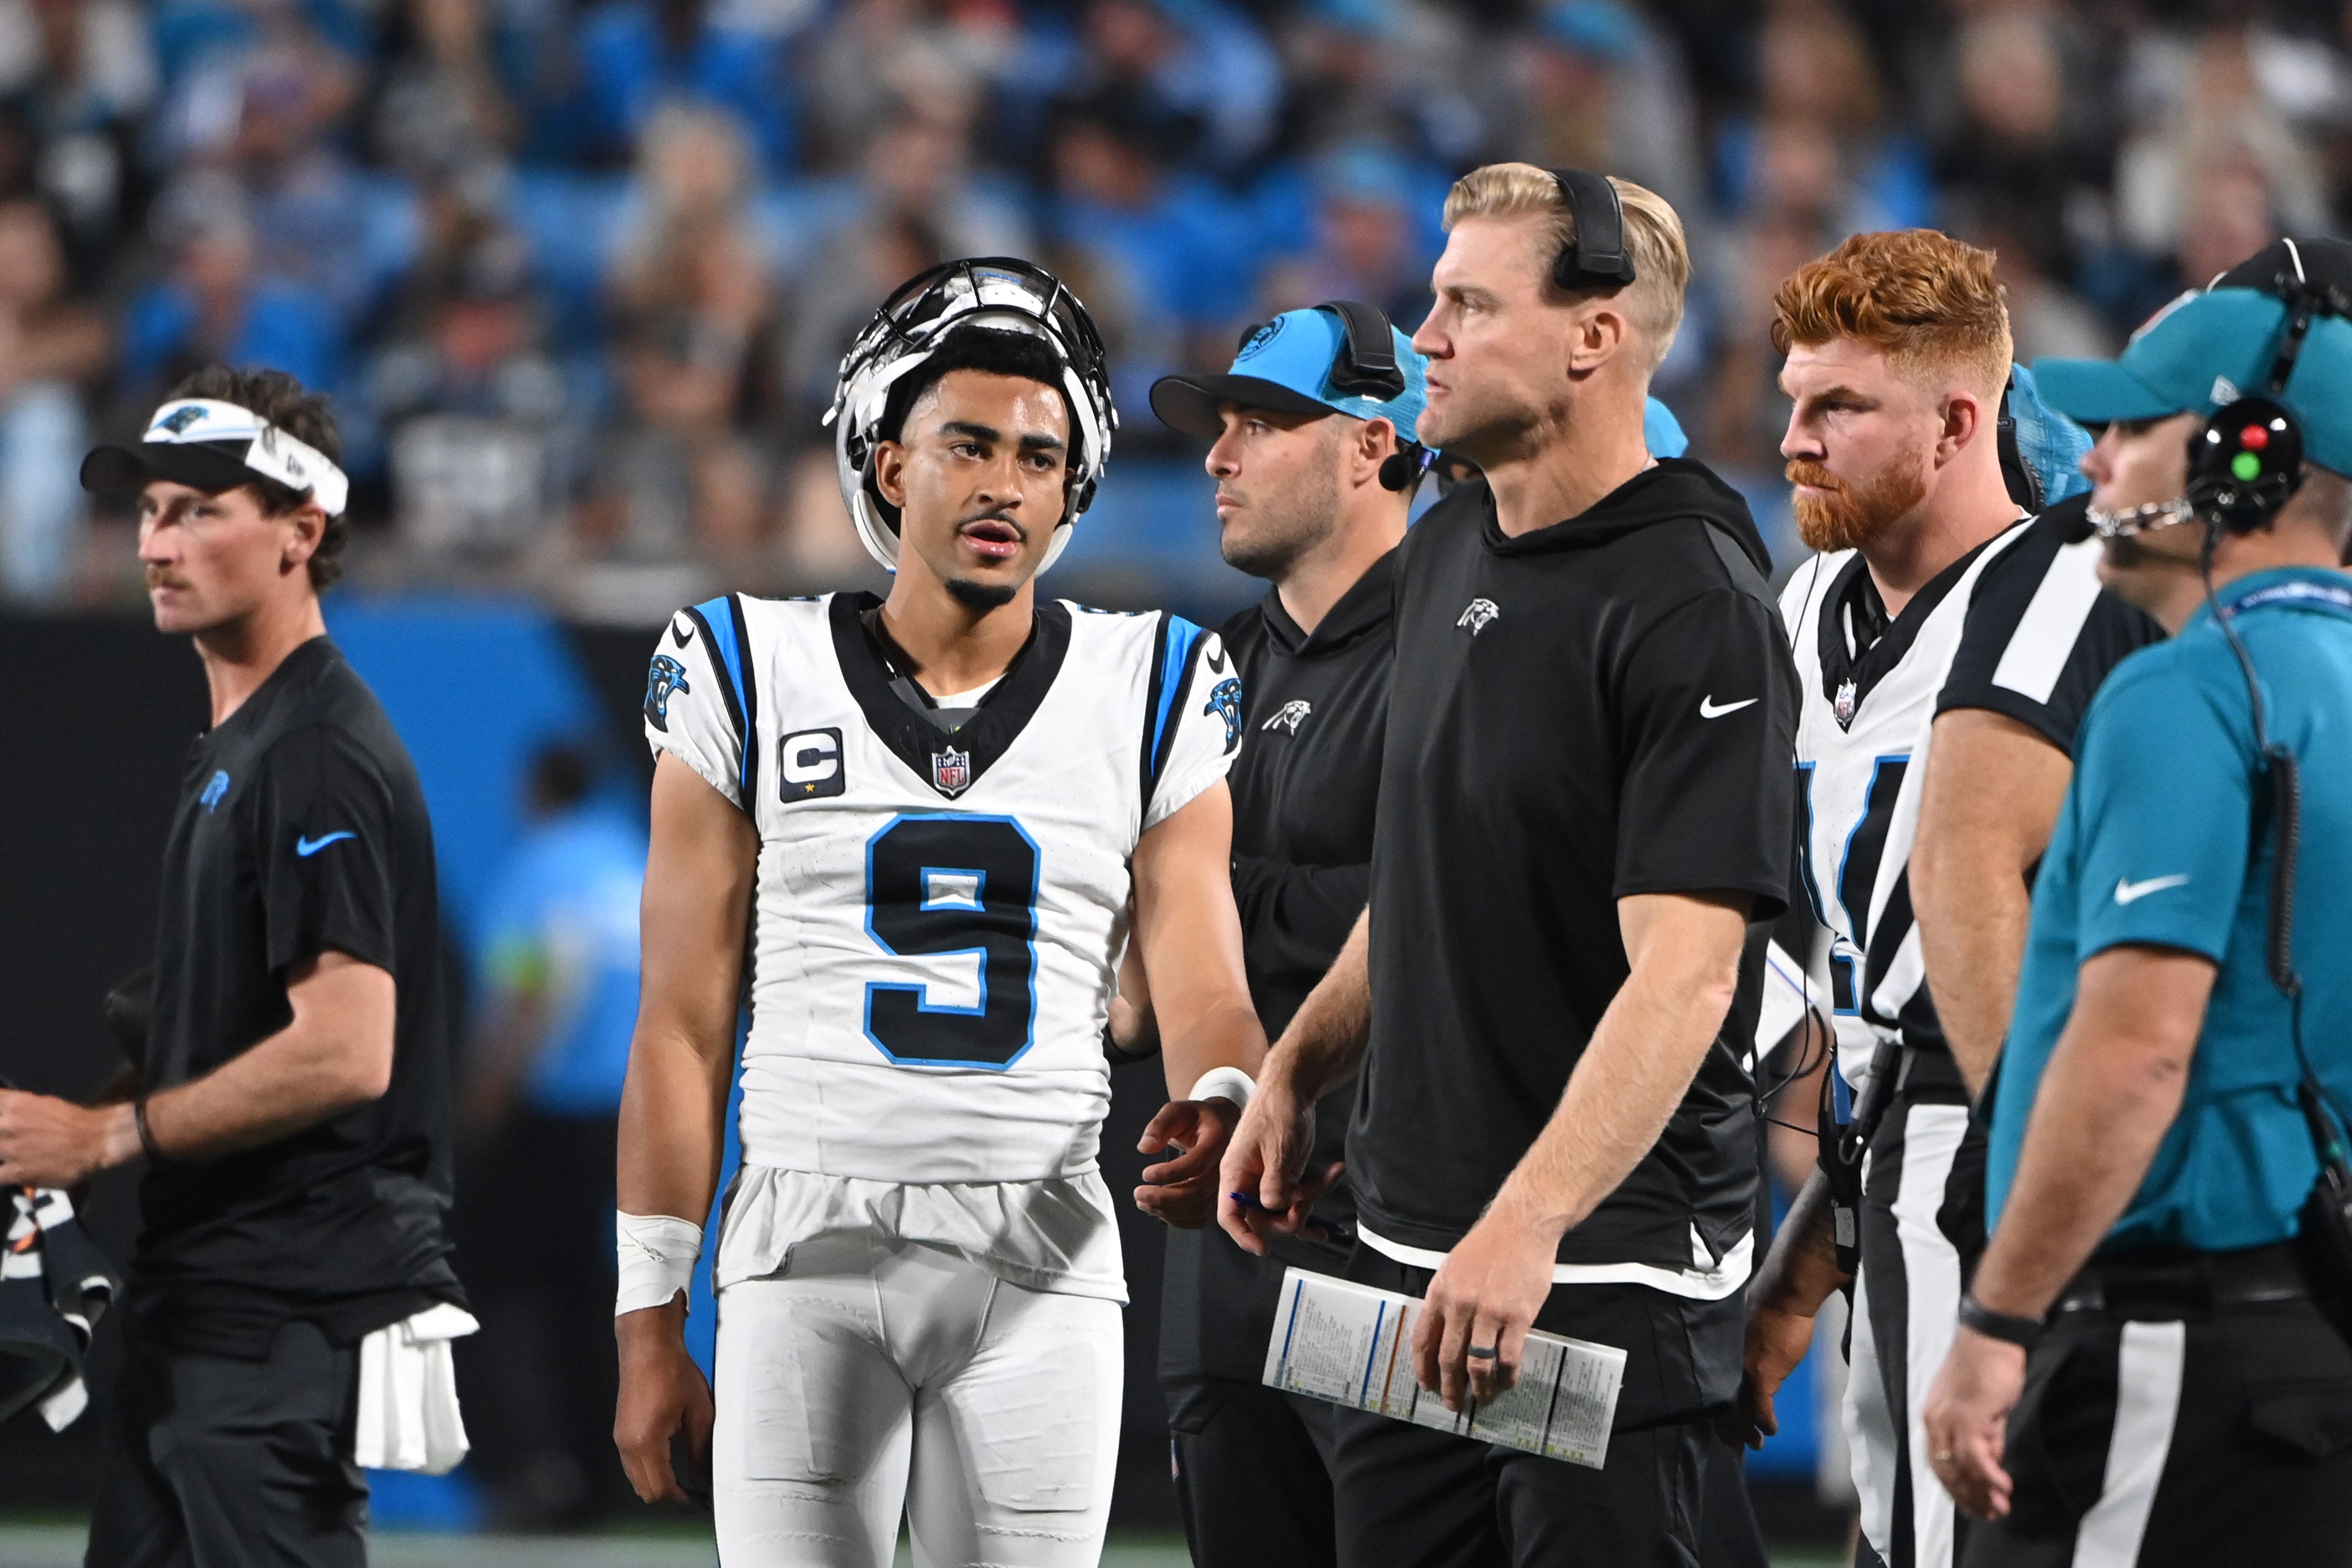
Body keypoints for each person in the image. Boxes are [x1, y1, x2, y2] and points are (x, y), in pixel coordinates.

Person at [609, 258, 1267, 1568]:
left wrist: (1225, 1091)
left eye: (1037, 454)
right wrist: (646, 1319)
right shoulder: (746, 663)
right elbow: (680, 1024)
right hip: (803, 1245)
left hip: (1045, 1244)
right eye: (966, 443)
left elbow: (1200, 972)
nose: (1001, 483)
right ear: (885, 460)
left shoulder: (1155, 678)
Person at [1220, 163, 1800, 1566]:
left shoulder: (1696, 605)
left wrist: (1528, 1220)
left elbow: (1687, 975)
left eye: (1468, 303)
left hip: (1594, 1272)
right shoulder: (1449, 542)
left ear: (1590, 338)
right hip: (1405, 1258)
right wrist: (1299, 1068)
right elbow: (1422, 878)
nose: (1424, 336)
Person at [1726, 231, 2157, 1568]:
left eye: (1839, 406)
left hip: (2004, 1148)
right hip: (1882, 1164)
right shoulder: (1805, 606)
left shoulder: (2076, 591)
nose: (1793, 437)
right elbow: (1864, 983)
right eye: (1794, 401)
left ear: (1958, 419)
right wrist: (1808, 1251)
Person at [1924, 237, 2352, 1565]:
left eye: (2133, 425)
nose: (2094, 457)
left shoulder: (2187, 686)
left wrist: (1996, 1318)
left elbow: (2132, 1048)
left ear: (2247, 457)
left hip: (2176, 1330)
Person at [0, 365, 469, 1567]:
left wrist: (103, 1141)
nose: (160, 539)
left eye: (203, 508)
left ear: (302, 532)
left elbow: (345, 1043)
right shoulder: (242, 741)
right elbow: (225, 1014)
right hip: (207, 1302)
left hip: (279, 1310)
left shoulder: (314, 748)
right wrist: (67, 1135)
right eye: (154, 508)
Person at [1139, 299, 1430, 1568]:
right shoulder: (1210, 669)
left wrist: (1201, 890)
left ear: (1371, 443)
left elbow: (1455, 906)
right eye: (1221, 426)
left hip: (1399, 1237)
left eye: (1260, 423)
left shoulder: (1466, 641)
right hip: (1224, 1259)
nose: (1219, 453)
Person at [456, 741, 647, 1528]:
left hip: (554, 1112)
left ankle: (540, 1469)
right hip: (638, 1112)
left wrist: (484, 1103)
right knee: (603, 1290)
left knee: (513, 1291)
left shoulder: (541, 872)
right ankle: (615, 1474)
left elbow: (525, 993)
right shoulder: (634, 862)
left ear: (537, 790)